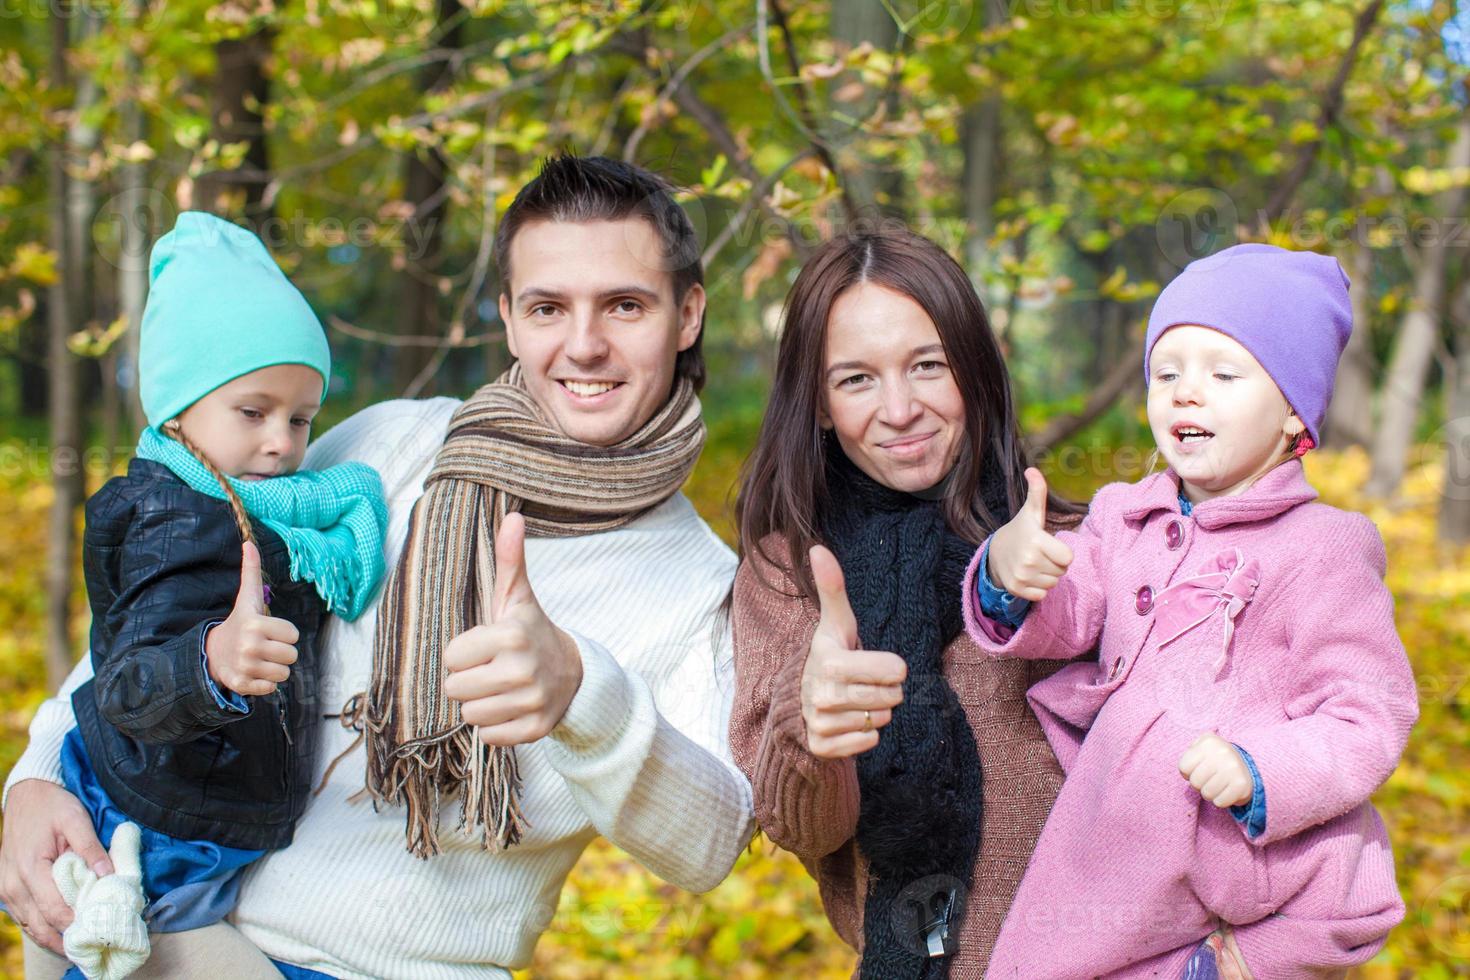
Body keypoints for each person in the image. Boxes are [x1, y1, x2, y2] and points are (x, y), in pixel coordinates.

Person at [2, 154, 755, 979]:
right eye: (548, 307)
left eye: (624, 305)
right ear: (507, 317)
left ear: (687, 315)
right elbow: (182, 587)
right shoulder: (392, 443)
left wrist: (584, 694)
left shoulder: (698, 585)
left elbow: (713, 840)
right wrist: (38, 775)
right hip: (156, 906)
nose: (584, 344)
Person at [968, 243, 1418, 978]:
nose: (1185, 392)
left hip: (1220, 849)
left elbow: (1370, 710)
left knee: (1339, 881)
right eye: (1166, 372)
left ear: (1292, 417)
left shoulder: (1324, 547)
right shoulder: (1124, 515)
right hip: (1109, 824)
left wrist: (1263, 768)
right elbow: (1075, 606)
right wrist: (1014, 578)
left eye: (1223, 373)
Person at [2, 211, 389, 979]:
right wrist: (208, 662)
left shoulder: (250, 503)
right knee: (116, 941)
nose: (281, 441)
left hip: (205, 802)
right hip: (159, 809)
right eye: (254, 412)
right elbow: (127, 681)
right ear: (178, 411)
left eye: (301, 418)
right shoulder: (176, 523)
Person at [728, 227, 1082, 978]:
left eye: (927, 366)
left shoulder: (1075, 552)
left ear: (975, 372)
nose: (899, 409)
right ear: (818, 404)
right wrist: (811, 727)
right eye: (855, 380)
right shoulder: (787, 572)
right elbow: (804, 831)